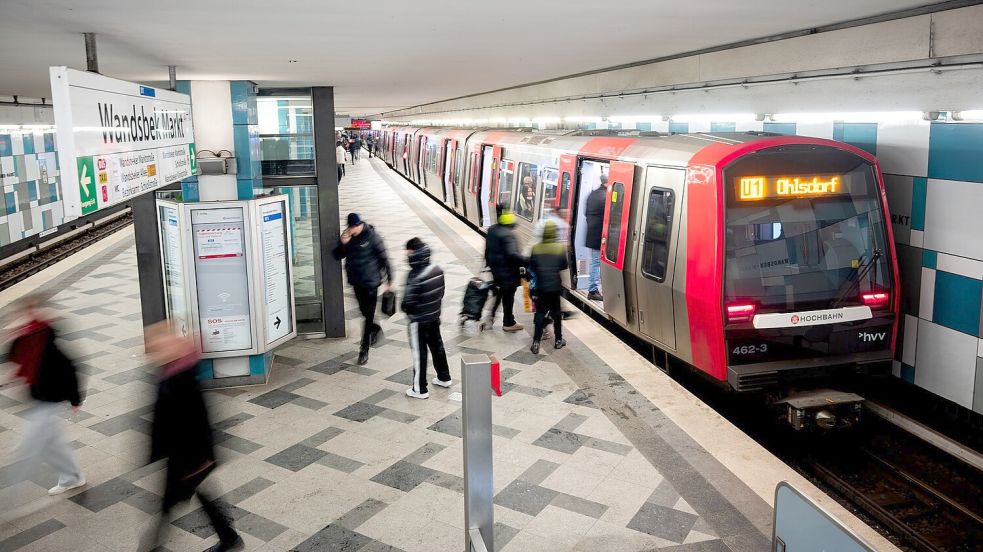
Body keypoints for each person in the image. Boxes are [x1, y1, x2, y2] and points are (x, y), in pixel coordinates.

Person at [141, 322, 242, 552]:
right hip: (181, 453)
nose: (153, 350)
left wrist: (202, 458)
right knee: (193, 497)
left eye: (157, 344)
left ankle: (152, 546)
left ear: (169, 343)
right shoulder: (170, 369)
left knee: (174, 501)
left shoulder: (182, 377)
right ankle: (228, 537)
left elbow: (198, 419)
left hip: (189, 455)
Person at [5, 295, 85, 497]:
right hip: (40, 398)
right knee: (51, 442)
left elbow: (71, 369)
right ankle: (72, 476)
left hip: (50, 399)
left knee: (31, 445)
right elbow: (14, 355)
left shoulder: (45, 341)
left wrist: (76, 400)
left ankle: (10, 494)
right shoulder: (27, 335)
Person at [333, 213, 394, 365]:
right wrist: (343, 243)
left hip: (371, 283)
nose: (351, 230)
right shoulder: (349, 237)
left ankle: (363, 350)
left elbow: (384, 259)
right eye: (350, 227)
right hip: (356, 281)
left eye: (353, 227)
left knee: (367, 316)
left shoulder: (373, 237)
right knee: (364, 311)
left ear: (360, 225)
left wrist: (390, 280)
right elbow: (337, 255)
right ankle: (375, 327)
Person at [401, 237, 451, 399]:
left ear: (413, 252)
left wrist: (406, 308)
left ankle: (419, 389)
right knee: (437, 347)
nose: (406, 255)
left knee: (419, 354)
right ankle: (444, 377)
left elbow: (407, 303)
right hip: (434, 317)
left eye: (407, 252)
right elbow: (441, 293)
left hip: (418, 321)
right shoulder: (437, 269)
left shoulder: (414, 276)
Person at [484, 205, 526, 332]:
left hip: (496, 270)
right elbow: (512, 255)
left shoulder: (492, 230)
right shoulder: (508, 235)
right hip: (508, 273)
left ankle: (491, 317)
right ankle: (508, 322)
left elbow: (487, 251)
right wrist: (528, 260)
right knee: (508, 297)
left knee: (500, 293)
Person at [529, 221, 568, 354]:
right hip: (555, 287)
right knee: (557, 315)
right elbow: (564, 266)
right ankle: (558, 341)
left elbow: (532, 266)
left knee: (540, 314)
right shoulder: (560, 248)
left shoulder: (536, 248)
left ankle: (535, 343)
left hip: (540, 287)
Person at [584, 174, 608, 302]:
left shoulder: (592, 194)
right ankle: (592, 290)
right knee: (596, 262)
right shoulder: (605, 197)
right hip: (600, 235)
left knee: (596, 262)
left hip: (592, 233)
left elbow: (585, 213)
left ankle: (595, 288)